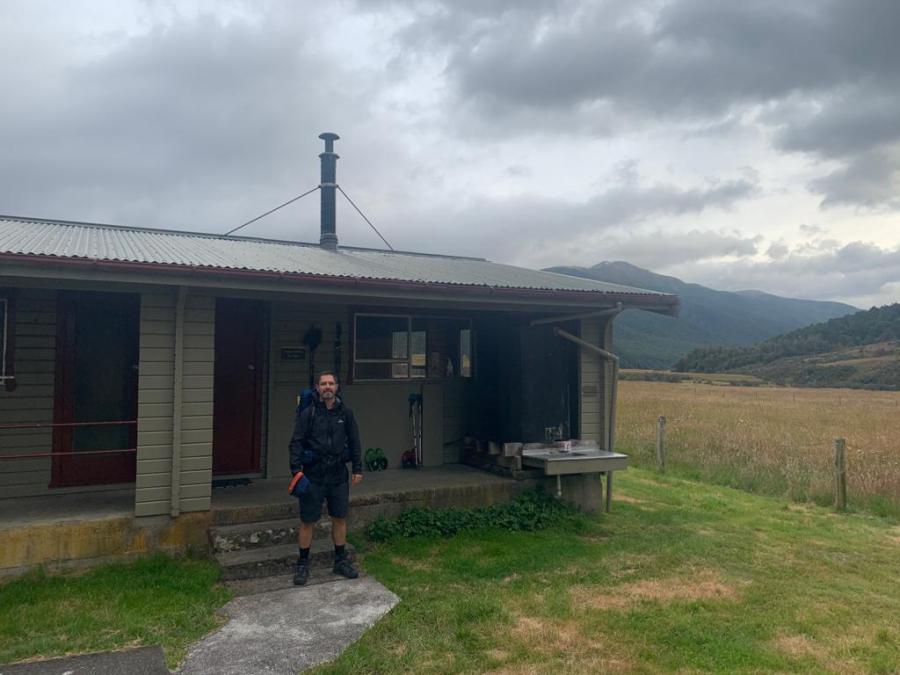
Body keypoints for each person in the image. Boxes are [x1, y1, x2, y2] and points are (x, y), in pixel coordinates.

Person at [288, 370, 363, 585]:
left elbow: (355, 441)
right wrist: (296, 471)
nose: (327, 387)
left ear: (337, 387)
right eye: (323, 384)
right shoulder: (309, 414)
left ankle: (340, 561)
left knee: (339, 518)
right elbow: (296, 443)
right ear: (317, 388)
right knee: (307, 521)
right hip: (314, 475)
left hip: (338, 474)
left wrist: (358, 468)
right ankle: (303, 564)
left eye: (331, 383)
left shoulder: (345, 414)